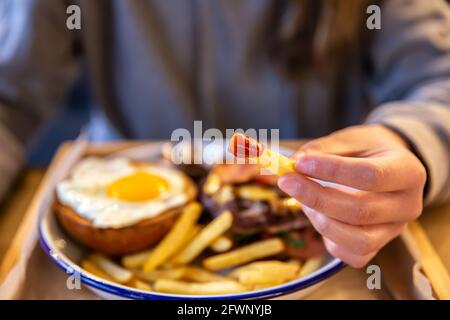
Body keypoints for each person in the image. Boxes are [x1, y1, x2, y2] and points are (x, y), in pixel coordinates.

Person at [0, 0, 449, 268]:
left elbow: (438, 81)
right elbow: (10, 93)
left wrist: (408, 144)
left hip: (332, 245)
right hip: (114, 197)